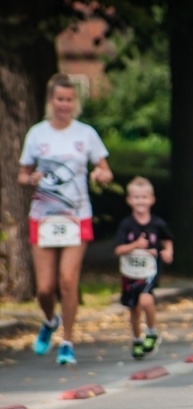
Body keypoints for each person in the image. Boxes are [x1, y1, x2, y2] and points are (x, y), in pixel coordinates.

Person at [17, 73, 114, 365]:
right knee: (45, 288)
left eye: (69, 99)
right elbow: (22, 174)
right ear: (50, 101)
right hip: (44, 218)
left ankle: (68, 342)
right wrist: (30, 178)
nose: (64, 104)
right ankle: (50, 321)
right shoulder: (37, 133)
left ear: (75, 102)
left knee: (68, 281)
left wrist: (102, 175)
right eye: (59, 99)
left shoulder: (85, 134)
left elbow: (105, 169)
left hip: (76, 216)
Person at [113, 177, 174, 360]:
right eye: (136, 197)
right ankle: (136, 339)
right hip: (130, 272)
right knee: (134, 309)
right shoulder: (126, 225)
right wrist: (135, 245)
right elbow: (118, 249)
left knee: (146, 300)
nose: (140, 201)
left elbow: (167, 239)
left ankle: (152, 331)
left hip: (150, 270)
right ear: (129, 200)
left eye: (144, 197)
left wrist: (168, 252)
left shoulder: (157, 223)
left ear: (152, 199)